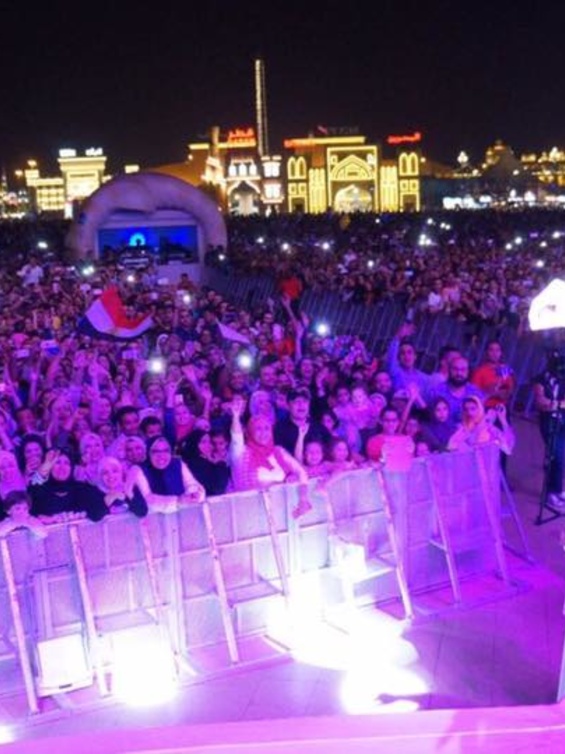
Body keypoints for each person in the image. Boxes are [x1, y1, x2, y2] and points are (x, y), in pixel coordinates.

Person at [230, 395, 312, 518]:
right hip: (250, 514)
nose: (263, 433)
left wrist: (303, 499)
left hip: (281, 511)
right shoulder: (241, 453)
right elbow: (236, 438)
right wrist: (235, 417)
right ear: (250, 432)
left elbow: (301, 472)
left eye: (267, 428)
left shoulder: (278, 452)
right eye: (258, 429)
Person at [127, 435, 205, 514]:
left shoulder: (177, 463)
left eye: (166, 450)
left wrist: (193, 495)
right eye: (155, 451)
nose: (161, 455)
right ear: (148, 453)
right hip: (154, 519)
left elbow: (192, 483)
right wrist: (177, 501)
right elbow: (147, 498)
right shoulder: (139, 469)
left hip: (183, 514)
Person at [29, 449, 104, 524]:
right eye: (57, 462)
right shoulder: (41, 492)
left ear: (72, 467)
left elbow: (98, 513)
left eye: (66, 463)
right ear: (50, 467)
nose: (62, 467)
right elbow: (34, 487)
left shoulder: (82, 490)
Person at [532, 351, 565, 508]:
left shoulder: (562, 379)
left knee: (561, 457)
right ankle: (551, 492)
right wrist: (558, 404)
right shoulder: (541, 380)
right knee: (556, 457)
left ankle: (557, 489)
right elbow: (541, 403)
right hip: (549, 422)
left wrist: (554, 404)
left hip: (562, 421)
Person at [180, 428, 231, 496]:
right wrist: (220, 463)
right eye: (203, 442)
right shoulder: (194, 464)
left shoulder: (207, 460)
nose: (208, 445)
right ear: (194, 443)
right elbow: (218, 488)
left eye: (210, 442)